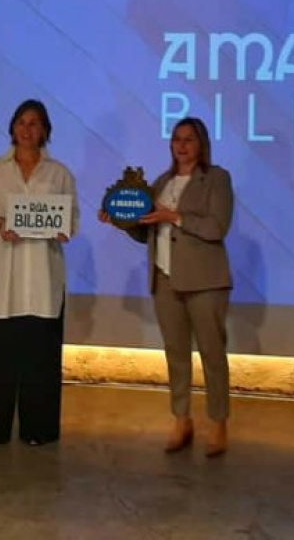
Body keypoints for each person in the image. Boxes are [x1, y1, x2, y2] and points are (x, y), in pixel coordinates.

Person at [100, 117, 234, 457]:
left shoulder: (217, 179)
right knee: (175, 354)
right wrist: (121, 221)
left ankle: (218, 423)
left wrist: (174, 217)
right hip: (164, 278)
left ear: (201, 144)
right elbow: (147, 230)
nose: (182, 145)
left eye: (189, 139)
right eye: (177, 139)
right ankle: (181, 419)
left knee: (212, 354)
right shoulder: (161, 182)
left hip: (204, 281)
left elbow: (216, 227)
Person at [0, 99, 77, 445]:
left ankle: (38, 430)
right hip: (5, 283)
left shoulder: (59, 174)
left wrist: (64, 230)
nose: (27, 129)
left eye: (34, 123)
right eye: (22, 122)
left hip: (44, 283)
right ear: (12, 127)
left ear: (45, 130)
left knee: (41, 363)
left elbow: (71, 218)